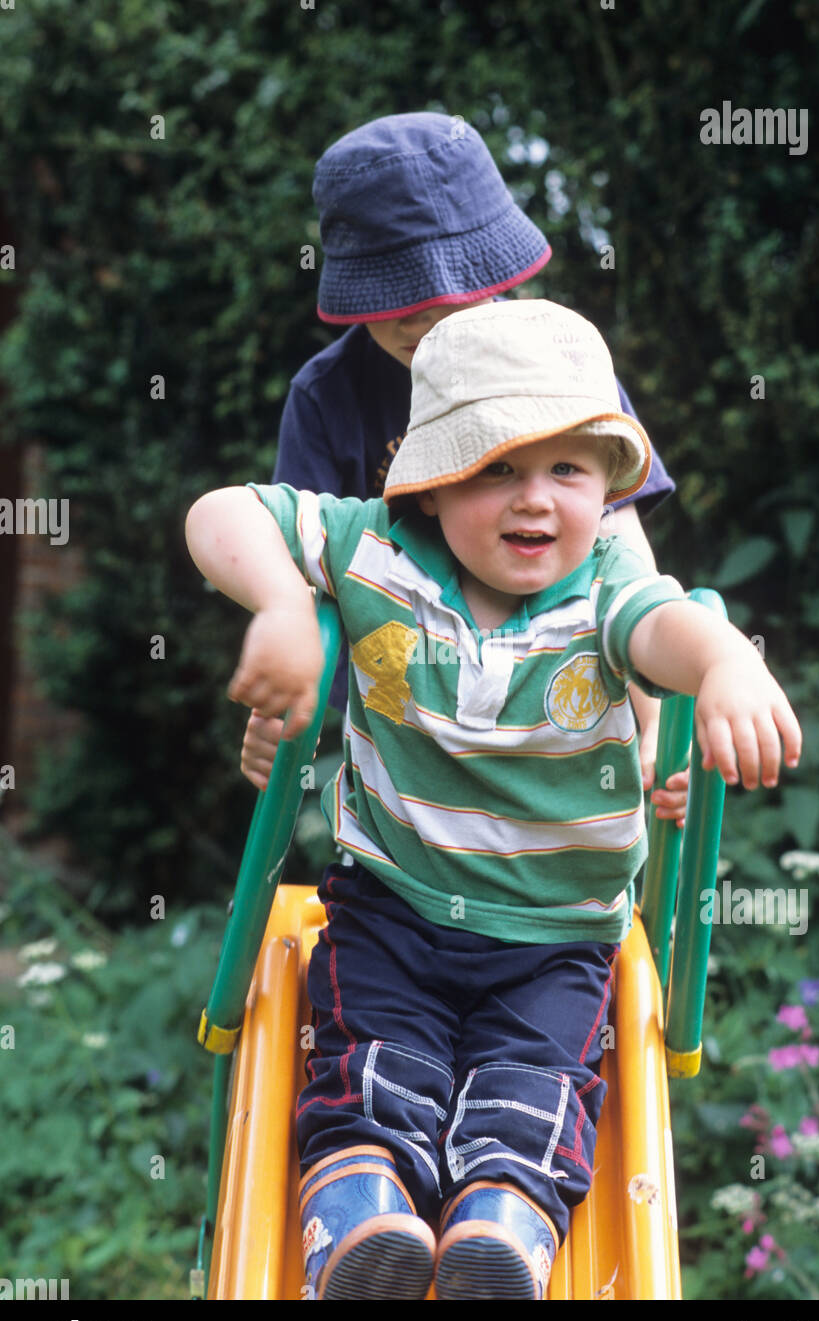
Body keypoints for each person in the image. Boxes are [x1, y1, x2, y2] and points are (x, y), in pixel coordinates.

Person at [185, 298, 802, 1300]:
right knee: (367, 1067)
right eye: (495, 469)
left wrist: (727, 662)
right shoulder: (370, 548)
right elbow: (218, 513)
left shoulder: (605, 591)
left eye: (566, 469)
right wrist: (287, 602)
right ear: (426, 484)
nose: (533, 500)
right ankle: (362, 1218)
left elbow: (671, 633)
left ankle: (498, 1231)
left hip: (554, 939)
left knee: (536, 1091)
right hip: (393, 908)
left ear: (605, 487)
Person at [241, 111, 687, 824]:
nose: (428, 320)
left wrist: (656, 723)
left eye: (452, 295)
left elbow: (618, 546)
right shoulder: (328, 397)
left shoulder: (559, 361)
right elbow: (297, 559)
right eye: (400, 304)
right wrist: (282, 683)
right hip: (412, 696)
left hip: (558, 667)